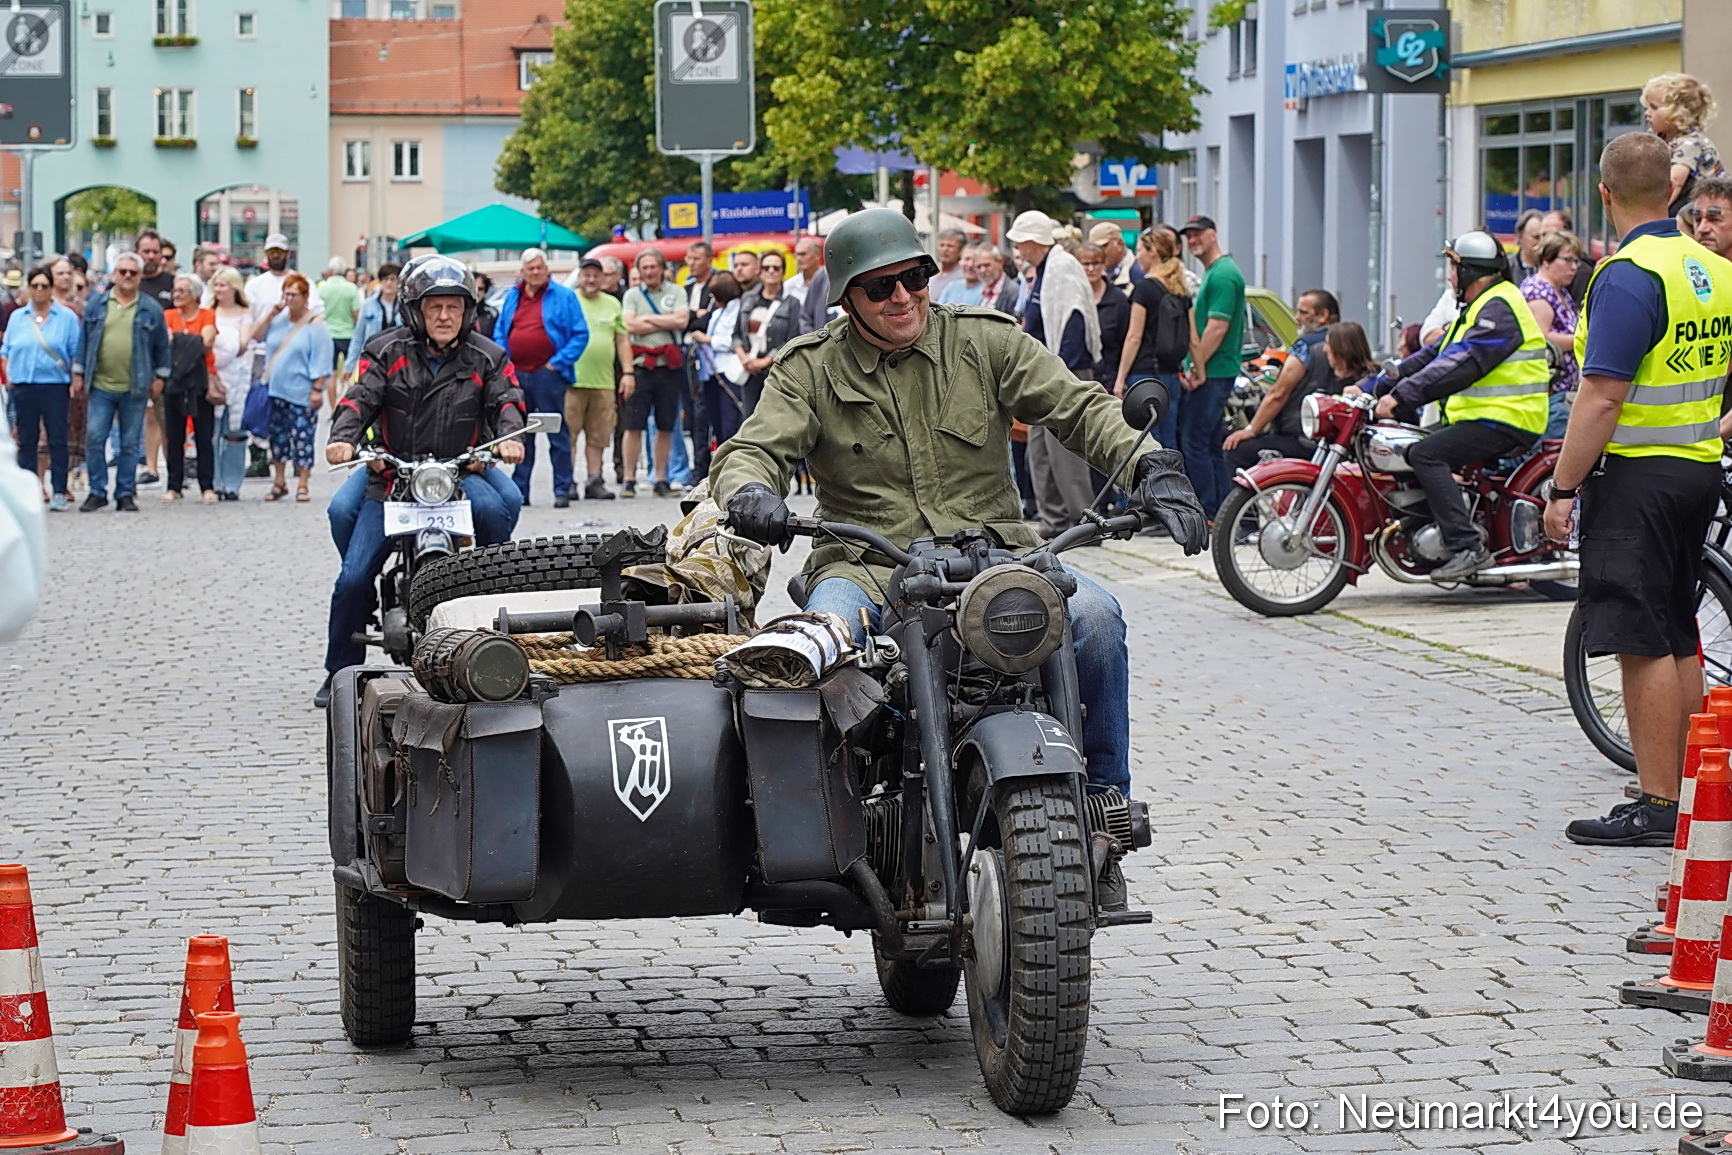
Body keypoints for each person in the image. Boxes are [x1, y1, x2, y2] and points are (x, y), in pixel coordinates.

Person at [709, 208, 1207, 861]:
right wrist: (752, 492)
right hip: (867, 562)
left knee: (1095, 616)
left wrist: (1149, 463)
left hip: (997, 554)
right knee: (816, 649)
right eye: (880, 286)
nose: (902, 296)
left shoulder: (984, 341)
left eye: (914, 277)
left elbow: (1076, 405)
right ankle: (830, 831)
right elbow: (752, 448)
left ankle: (1104, 811)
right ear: (846, 297)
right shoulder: (811, 368)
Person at [1546, 132, 1732, 846]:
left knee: (1640, 638)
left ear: (1604, 194)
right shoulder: (1707, 267)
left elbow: (1600, 397)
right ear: (1674, 192)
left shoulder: (1627, 274)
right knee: (1679, 630)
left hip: (1638, 475)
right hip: (1696, 465)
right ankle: (1687, 789)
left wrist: (1563, 487)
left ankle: (1657, 800)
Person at [319, 256, 526, 707]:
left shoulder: (488, 356)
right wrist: (343, 440)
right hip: (395, 475)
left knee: (497, 510)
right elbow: (359, 400)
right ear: (415, 309)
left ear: (468, 309)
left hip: (458, 470)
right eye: (435, 307)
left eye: (454, 306)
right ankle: (339, 671)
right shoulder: (384, 350)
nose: (445, 316)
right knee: (353, 576)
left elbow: (508, 398)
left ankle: (493, 609)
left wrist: (510, 436)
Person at [1371, 230, 1550, 580]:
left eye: (1453, 268)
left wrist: (1402, 396)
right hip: (1482, 418)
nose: (1450, 276)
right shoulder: (1479, 308)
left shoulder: (1500, 308)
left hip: (1509, 418)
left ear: (1469, 270)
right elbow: (1434, 354)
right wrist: (1378, 384)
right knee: (1406, 444)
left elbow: (1460, 364)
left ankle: (1468, 547)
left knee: (1426, 454)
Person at [1008, 210, 1102, 539]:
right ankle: (1055, 520)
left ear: (1033, 242)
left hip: (1062, 370)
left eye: (1020, 242)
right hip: (1045, 369)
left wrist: (1061, 372)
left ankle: (1083, 522)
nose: (1017, 249)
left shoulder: (1061, 267)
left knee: (1065, 452)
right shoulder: (1046, 268)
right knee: (1040, 451)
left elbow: (1073, 321)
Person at [73, 252, 170, 513]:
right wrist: (79, 373)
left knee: (129, 444)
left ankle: (125, 493)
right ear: (114, 274)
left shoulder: (150, 308)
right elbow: (84, 340)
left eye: (133, 272)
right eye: (123, 271)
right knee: (95, 439)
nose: (127, 276)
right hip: (101, 385)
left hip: (135, 385)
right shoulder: (98, 304)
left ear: (139, 276)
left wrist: (161, 376)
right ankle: (97, 491)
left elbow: (162, 346)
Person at [492, 247, 588, 507]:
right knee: (522, 433)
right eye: (529, 268)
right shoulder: (513, 296)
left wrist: (556, 364)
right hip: (518, 375)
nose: (535, 272)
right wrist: (505, 361)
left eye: (539, 267)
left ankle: (562, 489)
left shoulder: (565, 296)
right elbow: (501, 330)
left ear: (547, 270)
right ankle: (520, 491)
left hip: (549, 374)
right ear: (522, 272)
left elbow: (580, 334)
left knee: (557, 433)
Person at [1222, 289, 1341, 471]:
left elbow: (1279, 393)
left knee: (1236, 450)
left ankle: (1236, 500)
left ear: (1323, 315)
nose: (1296, 318)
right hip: (1334, 440)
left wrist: (1251, 430)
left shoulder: (1306, 346)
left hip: (1302, 438)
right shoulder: (1346, 340)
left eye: (1303, 312)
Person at [1177, 215, 1247, 517]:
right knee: (1210, 444)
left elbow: (1217, 328)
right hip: (1216, 370)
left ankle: (1206, 512)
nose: (1193, 240)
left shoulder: (1223, 275)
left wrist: (1196, 367)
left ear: (1214, 234)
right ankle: (1222, 512)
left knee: (1194, 441)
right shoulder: (1216, 272)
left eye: (1198, 234)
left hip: (1215, 372)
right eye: (1188, 236)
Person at [1, 264, 79, 511]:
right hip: (24, 384)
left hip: (54, 384)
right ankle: (30, 490)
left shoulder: (65, 317)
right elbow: (7, 349)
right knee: (26, 440)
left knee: (57, 438)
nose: (39, 291)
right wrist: (9, 373)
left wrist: (75, 380)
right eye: (34, 286)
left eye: (44, 286)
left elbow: (75, 351)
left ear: (51, 288)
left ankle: (58, 489)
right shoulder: (18, 317)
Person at [249, 272, 331, 503]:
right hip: (276, 389)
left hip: (301, 392)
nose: (289, 299)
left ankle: (303, 483)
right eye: (286, 294)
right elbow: (256, 337)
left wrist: (317, 388)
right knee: (278, 438)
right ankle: (279, 481)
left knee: (303, 438)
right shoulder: (278, 320)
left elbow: (323, 358)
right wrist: (271, 313)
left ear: (305, 296)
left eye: (293, 294)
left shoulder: (315, 325)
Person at [1113, 227, 1193, 454]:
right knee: (1169, 444)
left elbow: (1134, 336)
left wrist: (1120, 380)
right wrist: (1199, 372)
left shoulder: (1144, 288)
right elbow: (1193, 338)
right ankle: (1175, 488)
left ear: (1154, 252)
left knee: (1147, 447)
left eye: (1140, 250)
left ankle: (1152, 490)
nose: (1137, 256)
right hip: (1171, 375)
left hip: (1144, 375)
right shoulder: (1180, 289)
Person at [620, 249, 691, 498]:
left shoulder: (677, 292)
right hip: (641, 366)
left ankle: (661, 478)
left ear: (662, 268)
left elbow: (681, 320)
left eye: (653, 267)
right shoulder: (632, 294)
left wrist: (647, 319)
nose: (649, 272)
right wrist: (664, 319)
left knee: (665, 424)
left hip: (668, 367)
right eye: (644, 268)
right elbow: (629, 324)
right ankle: (629, 479)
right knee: (633, 424)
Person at [570, 256, 630, 500]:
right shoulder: (568, 299)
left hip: (604, 381)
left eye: (596, 275)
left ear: (604, 278)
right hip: (571, 380)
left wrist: (628, 372)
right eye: (587, 275)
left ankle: (594, 480)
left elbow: (622, 340)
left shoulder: (612, 304)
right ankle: (567, 481)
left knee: (598, 436)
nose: (591, 279)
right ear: (580, 276)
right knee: (569, 435)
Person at [1518, 230, 1584, 439]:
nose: (1573, 267)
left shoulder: (1559, 291)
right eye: (1567, 260)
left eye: (1576, 261)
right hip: (1550, 396)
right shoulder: (1539, 291)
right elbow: (1542, 339)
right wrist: (1583, 340)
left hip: (1562, 394)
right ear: (1546, 260)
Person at [161, 273, 217, 503]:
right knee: (174, 435)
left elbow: (207, 344)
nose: (176, 295)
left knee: (204, 435)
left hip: (200, 382)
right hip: (174, 381)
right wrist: (191, 341)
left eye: (181, 291)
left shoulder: (207, 314)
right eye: (175, 291)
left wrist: (180, 341)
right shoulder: (168, 315)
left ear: (195, 295)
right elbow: (165, 342)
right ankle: (174, 484)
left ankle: (207, 486)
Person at [1642, 72, 1724, 216]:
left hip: (1708, 203)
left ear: (1679, 113)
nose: (1646, 113)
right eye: (1647, 107)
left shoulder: (1689, 143)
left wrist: (1653, 214)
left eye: (1654, 108)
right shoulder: (1663, 138)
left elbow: (1675, 182)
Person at [733, 249, 800, 415]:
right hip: (748, 370)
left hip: (776, 372)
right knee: (749, 420)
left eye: (776, 268)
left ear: (783, 272)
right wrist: (744, 358)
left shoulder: (792, 303)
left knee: (775, 418)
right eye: (767, 267)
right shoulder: (747, 298)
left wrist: (765, 361)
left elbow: (792, 339)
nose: (771, 271)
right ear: (760, 271)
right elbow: (736, 335)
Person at [208, 268, 253, 501]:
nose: (219, 289)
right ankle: (213, 480)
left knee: (234, 432)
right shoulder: (209, 311)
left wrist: (225, 344)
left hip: (237, 378)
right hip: (213, 376)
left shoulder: (244, 313)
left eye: (223, 285)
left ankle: (232, 482)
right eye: (216, 285)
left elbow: (243, 344)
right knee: (213, 432)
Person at [694, 271, 746, 451]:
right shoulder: (717, 313)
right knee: (716, 423)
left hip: (730, 371)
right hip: (711, 372)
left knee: (730, 421)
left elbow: (731, 340)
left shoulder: (739, 309)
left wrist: (708, 340)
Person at [1078, 243, 1130, 387]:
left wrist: (1121, 379)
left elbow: (1126, 341)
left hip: (1110, 381)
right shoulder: (1072, 299)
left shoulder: (1119, 299)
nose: (1091, 269)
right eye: (1086, 264)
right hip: (1079, 380)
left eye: (1096, 263)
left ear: (1104, 264)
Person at [245, 233, 324, 320]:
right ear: (266, 254)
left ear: (288, 254)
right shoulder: (254, 285)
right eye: (271, 252)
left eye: (280, 251)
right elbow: (247, 317)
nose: (275, 255)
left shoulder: (303, 282)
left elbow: (316, 311)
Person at [317, 257, 362, 407]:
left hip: (328, 335)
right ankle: (349, 404)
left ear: (330, 271)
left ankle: (332, 408)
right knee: (350, 371)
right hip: (348, 334)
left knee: (331, 373)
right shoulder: (351, 288)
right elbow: (356, 314)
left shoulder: (322, 288)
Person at [347, 261, 402, 368]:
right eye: (385, 279)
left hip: (398, 359)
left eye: (393, 279)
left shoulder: (403, 306)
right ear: (380, 282)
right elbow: (359, 336)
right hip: (373, 357)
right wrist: (350, 365)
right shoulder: (369, 304)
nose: (389, 283)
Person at [1088, 222, 1141, 289]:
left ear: (1119, 244)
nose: (1098, 252)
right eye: (1094, 249)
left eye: (1103, 246)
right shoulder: (1097, 276)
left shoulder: (1138, 272)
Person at [927, 227, 968, 299]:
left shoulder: (963, 277)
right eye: (942, 245)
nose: (945, 249)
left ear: (961, 251)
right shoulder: (931, 274)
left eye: (950, 246)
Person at [1507, 209, 1545, 284]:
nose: (1541, 242)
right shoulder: (1507, 267)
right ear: (1520, 237)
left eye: (1544, 237)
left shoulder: (1550, 268)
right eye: (1536, 237)